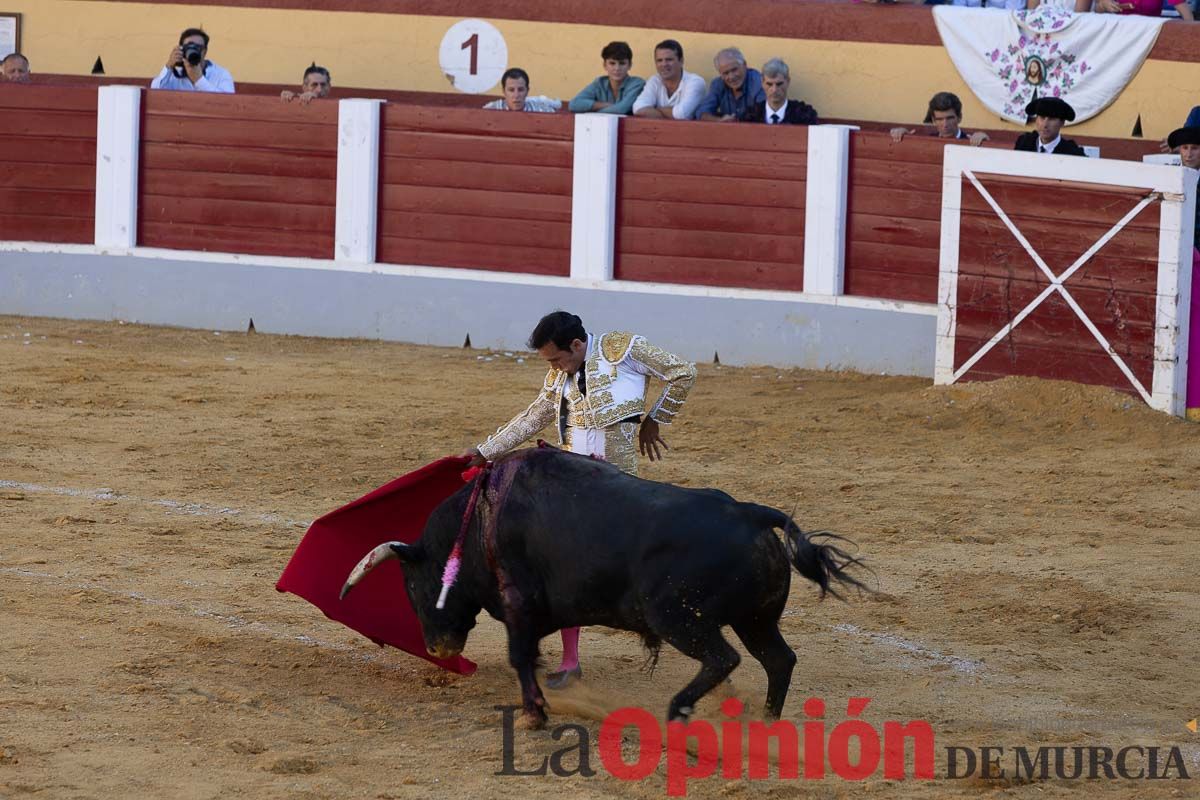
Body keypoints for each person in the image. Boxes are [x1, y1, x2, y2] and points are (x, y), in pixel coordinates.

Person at [461, 311, 697, 687]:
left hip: (618, 484)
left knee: (640, 563)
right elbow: (536, 413)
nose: (555, 368)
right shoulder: (559, 372)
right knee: (564, 563)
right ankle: (570, 661)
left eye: (557, 359)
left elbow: (683, 372)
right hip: (573, 480)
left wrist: (655, 417)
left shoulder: (624, 348)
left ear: (576, 344)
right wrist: (486, 450)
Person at [631, 39, 706, 120]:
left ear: (681, 61)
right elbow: (638, 108)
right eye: (659, 60)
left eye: (669, 60)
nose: (664, 64)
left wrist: (656, 108)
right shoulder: (655, 80)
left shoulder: (695, 82)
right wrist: (671, 113)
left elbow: (681, 114)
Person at [567, 41, 646, 116]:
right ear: (605, 65)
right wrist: (605, 105)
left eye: (622, 63)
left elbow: (621, 109)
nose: (617, 68)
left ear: (630, 65)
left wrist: (591, 114)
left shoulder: (637, 84)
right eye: (612, 63)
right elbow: (574, 104)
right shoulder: (599, 83)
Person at [150, 28, 235, 93]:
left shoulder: (221, 74)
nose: (193, 50)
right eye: (189, 47)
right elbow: (155, 91)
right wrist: (169, 66)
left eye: (198, 47)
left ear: (204, 51)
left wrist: (199, 80)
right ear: (181, 49)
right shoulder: (174, 74)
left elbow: (226, 102)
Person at [890, 92, 989, 146]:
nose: (945, 124)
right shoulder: (928, 139)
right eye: (940, 119)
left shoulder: (969, 141)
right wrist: (902, 132)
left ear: (959, 118)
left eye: (950, 118)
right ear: (933, 120)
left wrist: (984, 139)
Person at [697, 47, 765, 122]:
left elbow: (761, 115)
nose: (731, 77)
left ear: (745, 65)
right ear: (720, 74)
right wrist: (719, 121)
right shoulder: (717, 84)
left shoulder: (759, 82)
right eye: (726, 73)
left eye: (734, 70)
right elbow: (701, 113)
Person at [742, 58, 818, 125]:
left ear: (788, 81)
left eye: (779, 84)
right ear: (762, 83)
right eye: (769, 84)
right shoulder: (750, 115)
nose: (774, 90)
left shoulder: (803, 115)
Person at [1014, 97, 1087, 156]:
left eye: (1051, 119)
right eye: (1042, 117)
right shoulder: (1023, 143)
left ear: (1062, 123)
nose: (1045, 125)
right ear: (1036, 119)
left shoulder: (1072, 153)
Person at [482, 67, 561, 113]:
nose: (516, 95)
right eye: (511, 90)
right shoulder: (491, 110)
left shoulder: (542, 110)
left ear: (527, 91)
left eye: (520, 90)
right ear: (503, 91)